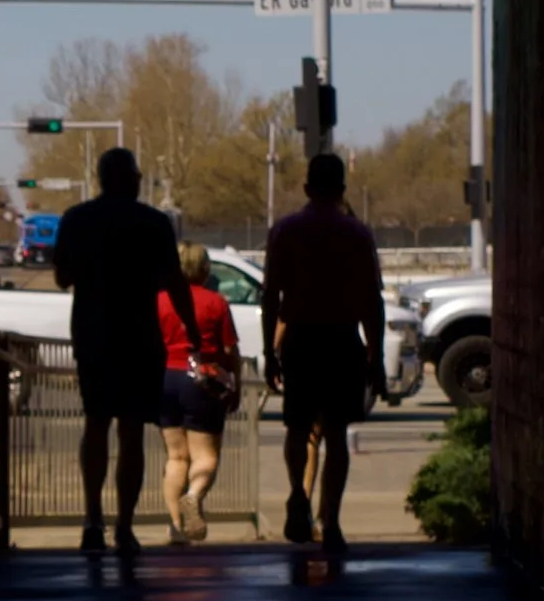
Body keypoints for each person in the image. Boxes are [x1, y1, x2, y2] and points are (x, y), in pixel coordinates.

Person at [50, 149, 198, 555]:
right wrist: (193, 332)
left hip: (93, 335)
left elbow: (62, 277)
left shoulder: (76, 219)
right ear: (131, 179)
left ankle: (92, 519)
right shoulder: (153, 223)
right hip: (139, 338)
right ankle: (125, 527)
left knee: (95, 424)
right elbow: (175, 283)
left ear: (100, 178)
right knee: (131, 433)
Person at [259, 152, 385, 555]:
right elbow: (372, 300)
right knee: (335, 434)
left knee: (297, 428)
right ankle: (331, 518)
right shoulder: (357, 234)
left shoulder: (285, 231)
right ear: (342, 189)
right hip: (342, 339)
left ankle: (299, 491)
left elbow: (270, 296)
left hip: (301, 338)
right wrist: (376, 355)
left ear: (307, 187)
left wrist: (269, 349)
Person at [155, 241, 241, 544]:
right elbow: (230, 349)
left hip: (165, 379)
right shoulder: (215, 303)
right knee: (205, 456)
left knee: (176, 458)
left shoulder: (160, 300)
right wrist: (236, 384)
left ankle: (177, 527)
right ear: (206, 269)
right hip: (201, 379)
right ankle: (193, 496)